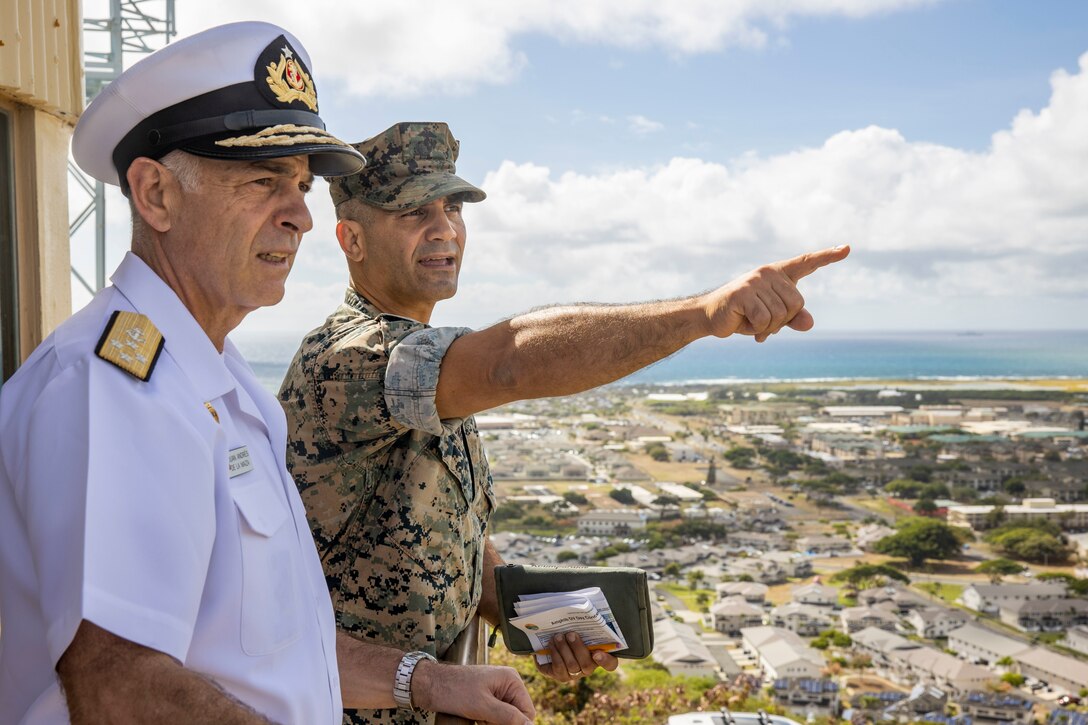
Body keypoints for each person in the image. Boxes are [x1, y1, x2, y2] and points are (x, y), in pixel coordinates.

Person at [0, 29, 533, 725]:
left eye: (301, 186)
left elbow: (277, 650)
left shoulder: (227, 386)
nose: (301, 216)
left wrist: (423, 680)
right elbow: (121, 687)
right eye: (262, 182)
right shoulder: (109, 391)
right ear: (155, 194)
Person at [278, 121, 850, 724]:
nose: (444, 228)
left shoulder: (421, 359)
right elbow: (508, 364)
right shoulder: (349, 360)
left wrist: (537, 616)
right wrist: (705, 313)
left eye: (452, 207)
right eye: (412, 211)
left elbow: (452, 532)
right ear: (352, 239)